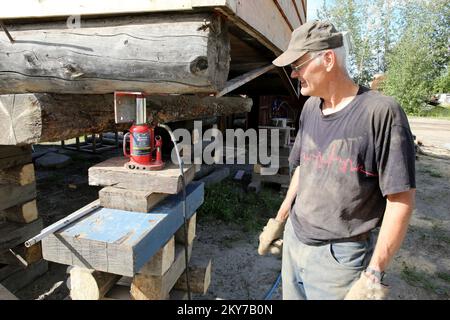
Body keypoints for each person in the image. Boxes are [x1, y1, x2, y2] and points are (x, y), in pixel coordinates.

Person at [258, 20, 416, 300]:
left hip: (339, 258)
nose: (294, 74)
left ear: (328, 59)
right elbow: (304, 167)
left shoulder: (381, 114)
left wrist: (373, 275)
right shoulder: (309, 108)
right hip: (295, 241)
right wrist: (280, 220)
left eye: (298, 65)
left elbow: (400, 200)